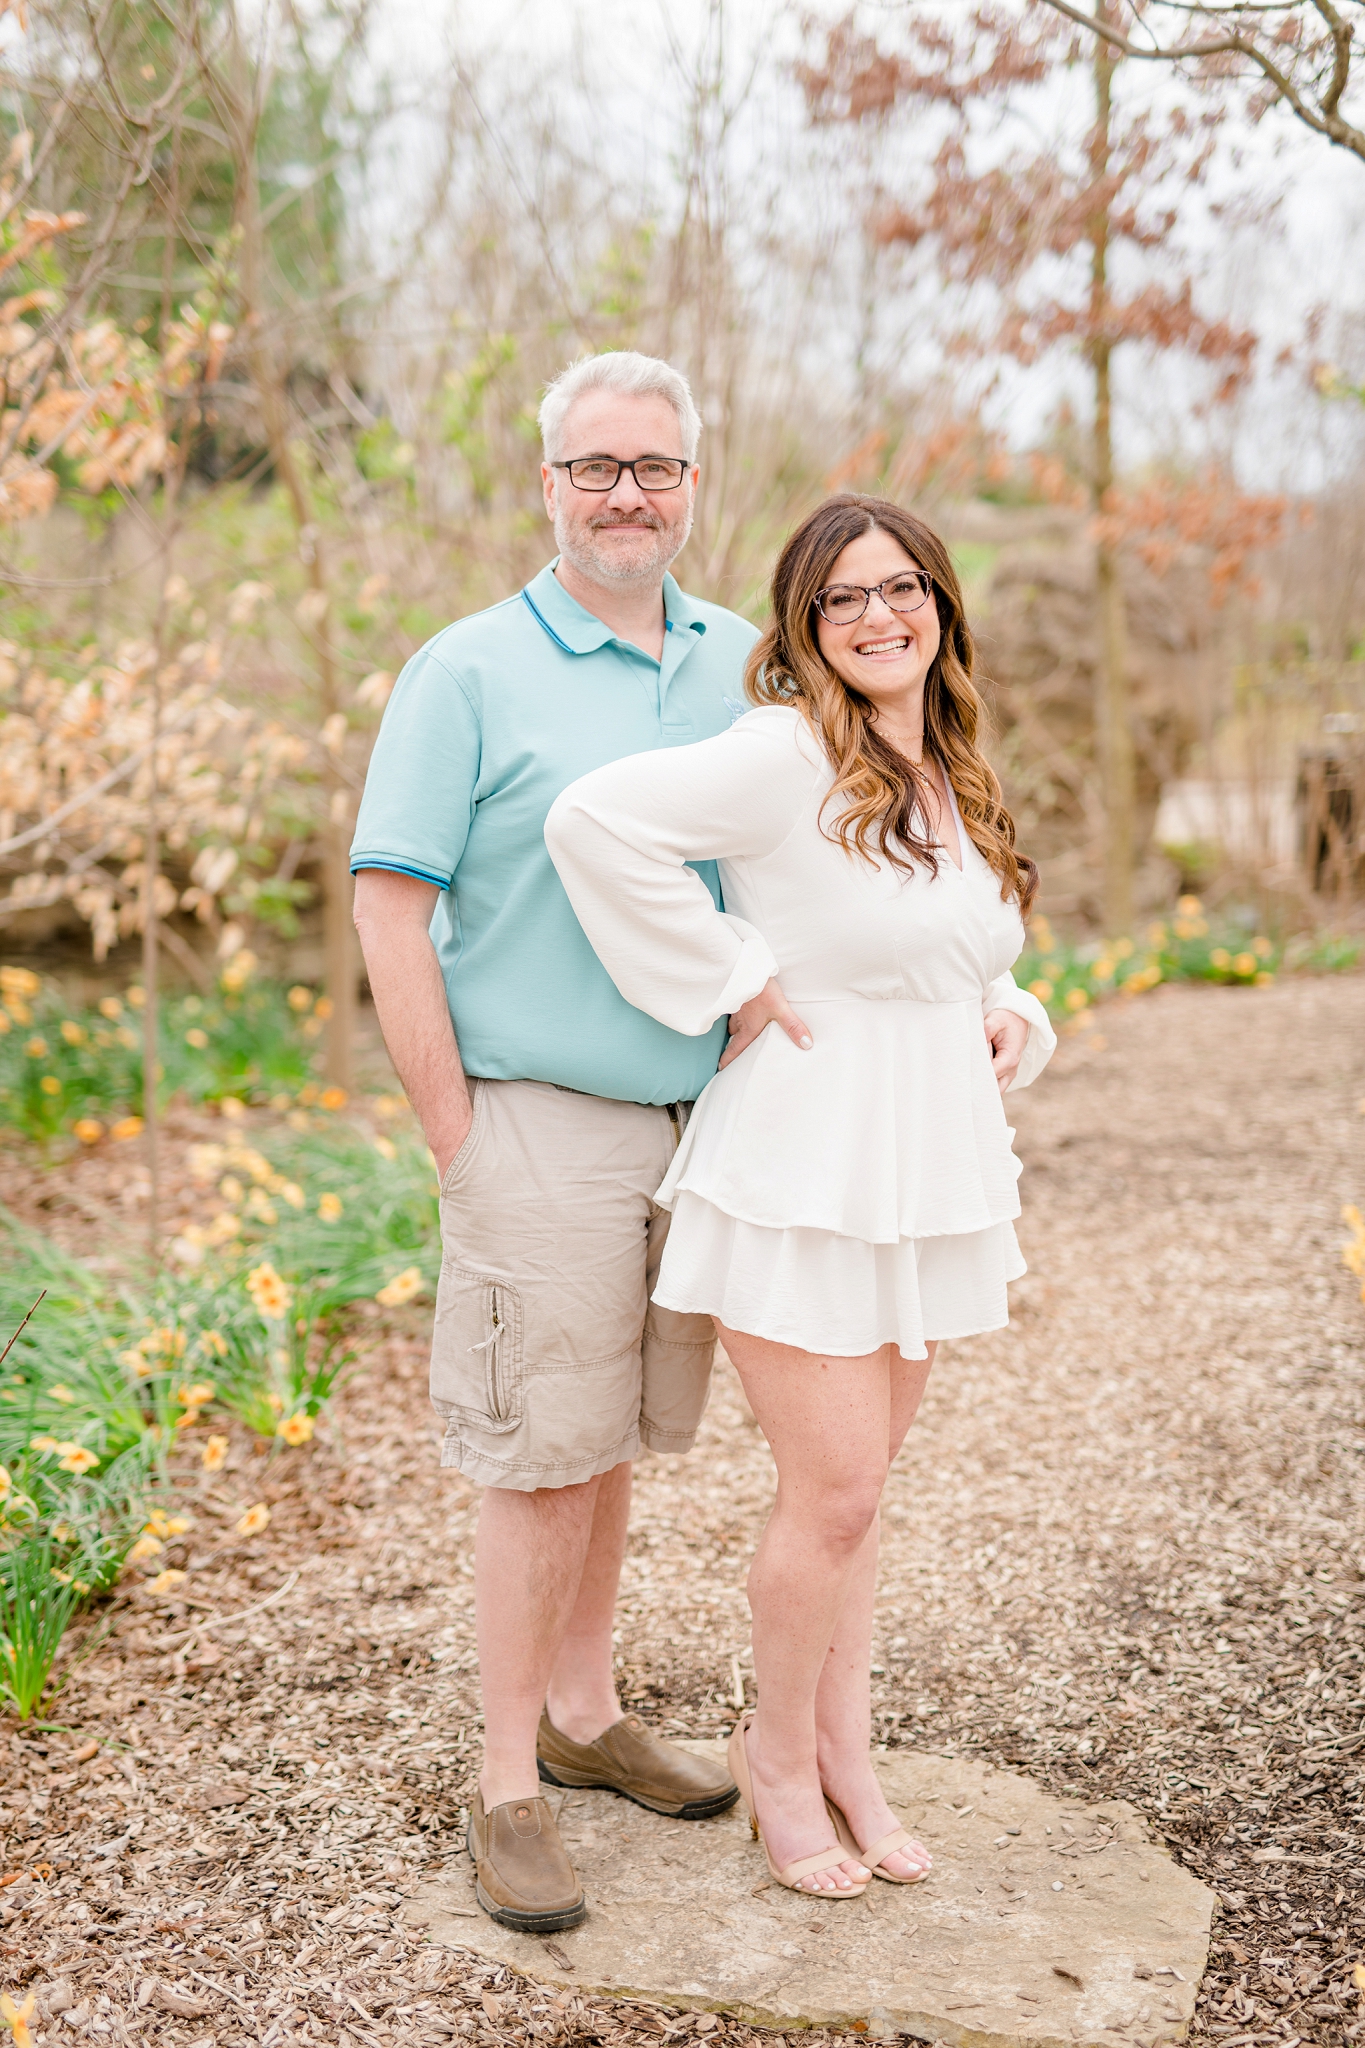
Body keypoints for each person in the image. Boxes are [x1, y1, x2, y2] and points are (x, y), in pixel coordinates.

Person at [545, 492, 1057, 1900]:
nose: (879, 616)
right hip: (801, 1161)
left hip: (925, 1160)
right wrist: (731, 975)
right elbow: (594, 821)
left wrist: (1009, 1007)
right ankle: (776, 1758)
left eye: (903, 589)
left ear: (939, 604)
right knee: (833, 1492)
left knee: (860, 1500)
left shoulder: (948, 762)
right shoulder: (783, 754)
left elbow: (964, 945)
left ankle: (846, 1755)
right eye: (844, 598)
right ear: (805, 626)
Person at [350, 351, 759, 1935]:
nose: (623, 494)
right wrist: (456, 1134)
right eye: (595, 466)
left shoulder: (744, 663)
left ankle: (586, 1718)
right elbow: (391, 910)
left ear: (691, 485)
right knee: (536, 1458)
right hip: (533, 1121)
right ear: (548, 483)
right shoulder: (462, 670)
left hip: (695, 1126)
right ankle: (505, 1781)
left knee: (612, 1436)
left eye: (652, 466)